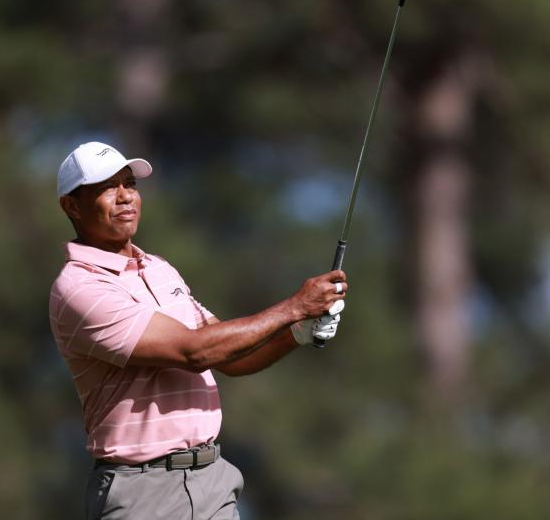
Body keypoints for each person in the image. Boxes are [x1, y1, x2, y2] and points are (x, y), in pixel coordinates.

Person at [50, 141, 347, 519]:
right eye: (108, 187)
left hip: (212, 481)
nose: (125, 197)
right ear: (72, 206)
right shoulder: (79, 288)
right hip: (143, 492)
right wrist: (294, 306)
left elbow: (229, 357)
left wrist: (297, 331)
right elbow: (194, 352)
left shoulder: (159, 269)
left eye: (130, 184)